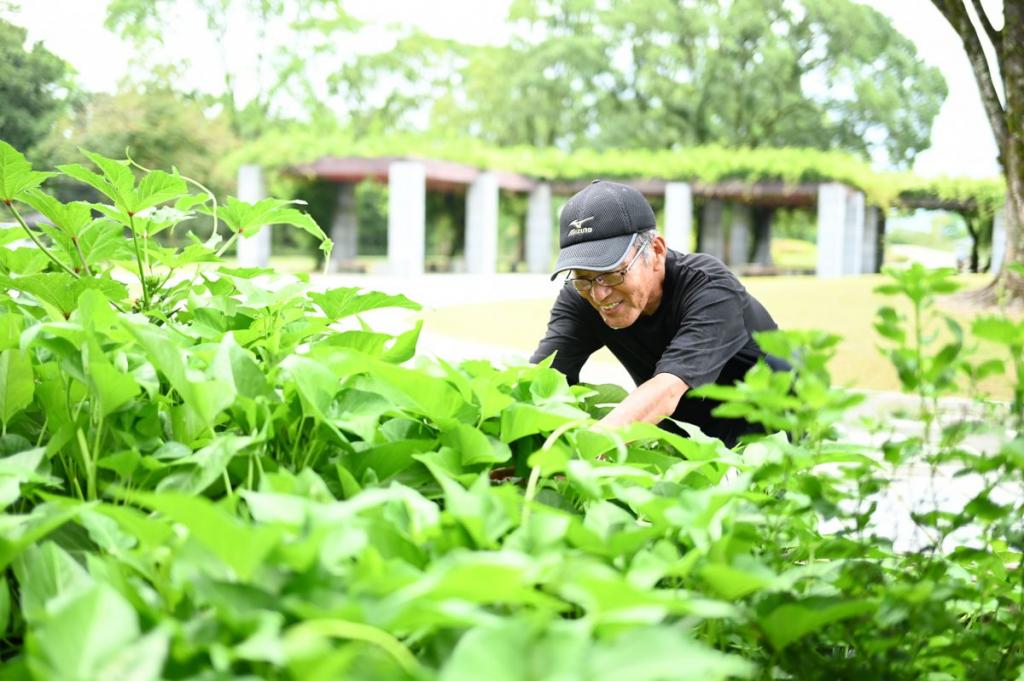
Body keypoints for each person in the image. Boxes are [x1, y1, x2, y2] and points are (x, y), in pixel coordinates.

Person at [530, 179, 788, 447]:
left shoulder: (709, 288)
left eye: (611, 274)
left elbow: (666, 390)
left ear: (656, 251)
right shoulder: (580, 296)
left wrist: (586, 449)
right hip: (686, 440)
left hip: (770, 434)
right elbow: (542, 379)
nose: (599, 294)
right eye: (583, 278)